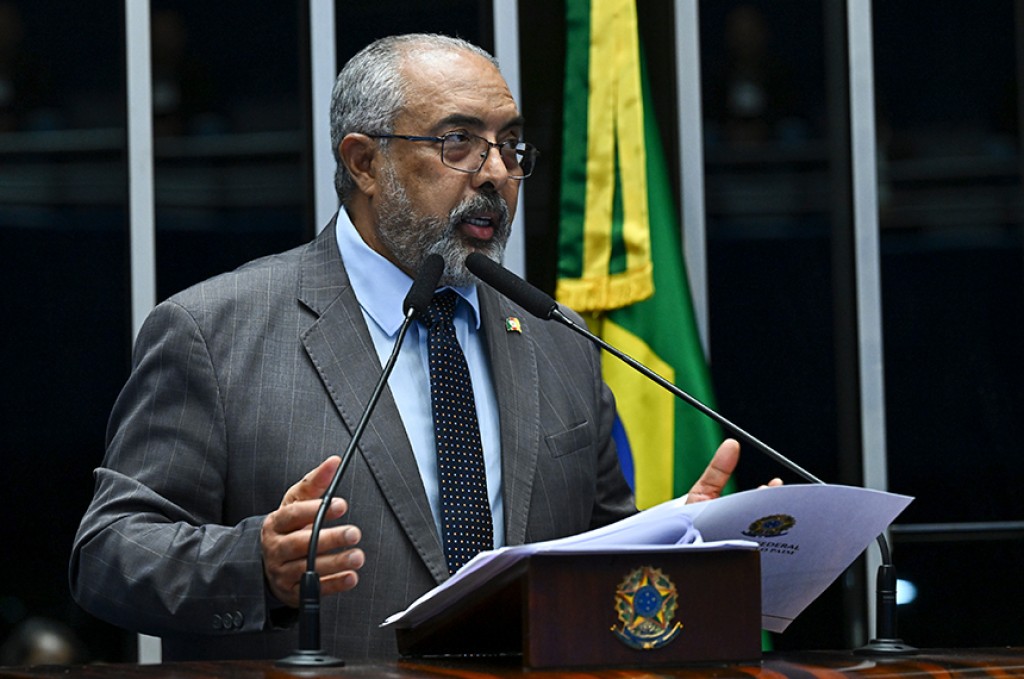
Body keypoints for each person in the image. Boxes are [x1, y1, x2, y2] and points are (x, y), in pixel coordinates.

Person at [70, 33, 748, 662]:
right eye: (459, 142)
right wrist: (257, 566)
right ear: (364, 162)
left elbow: (597, 553)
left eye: (511, 146)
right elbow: (109, 553)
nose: (495, 173)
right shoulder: (215, 331)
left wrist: (680, 543)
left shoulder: (557, 337)